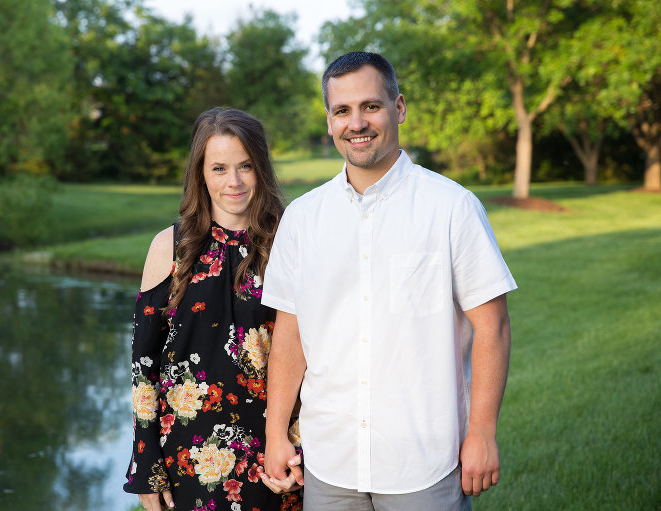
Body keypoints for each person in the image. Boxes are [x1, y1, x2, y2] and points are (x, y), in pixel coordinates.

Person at [259, 52, 518, 510]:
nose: (356, 122)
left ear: (398, 108)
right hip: (330, 461)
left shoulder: (452, 207)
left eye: (370, 106)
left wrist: (482, 431)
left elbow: (492, 327)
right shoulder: (302, 218)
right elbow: (289, 334)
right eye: (342, 111)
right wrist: (275, 431)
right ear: (329, 121)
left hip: (423, 462)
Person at [123, 107, 302, 511]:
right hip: (189, 457)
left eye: (246, 166)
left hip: (274, 454)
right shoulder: (169, 247)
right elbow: (143, 369)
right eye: (219, 168)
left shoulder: (290, 243)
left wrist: (298, 445)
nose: (234, 181)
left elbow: (315, 356)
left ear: (262, 168)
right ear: (201, 174)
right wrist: (145, 467)